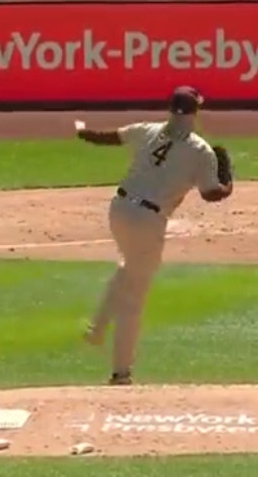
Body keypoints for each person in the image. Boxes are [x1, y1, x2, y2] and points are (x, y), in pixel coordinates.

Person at [77, 87, 234, 386]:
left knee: (129, 270)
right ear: (196, 111)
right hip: (148, 221)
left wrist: (82, 130)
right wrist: (229, 184)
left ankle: (96, 329)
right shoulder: (200, 150)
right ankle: (121, 373)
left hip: (119, 210)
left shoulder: (147, 130)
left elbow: (108, 137)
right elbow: (211, 193)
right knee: (134, 300)